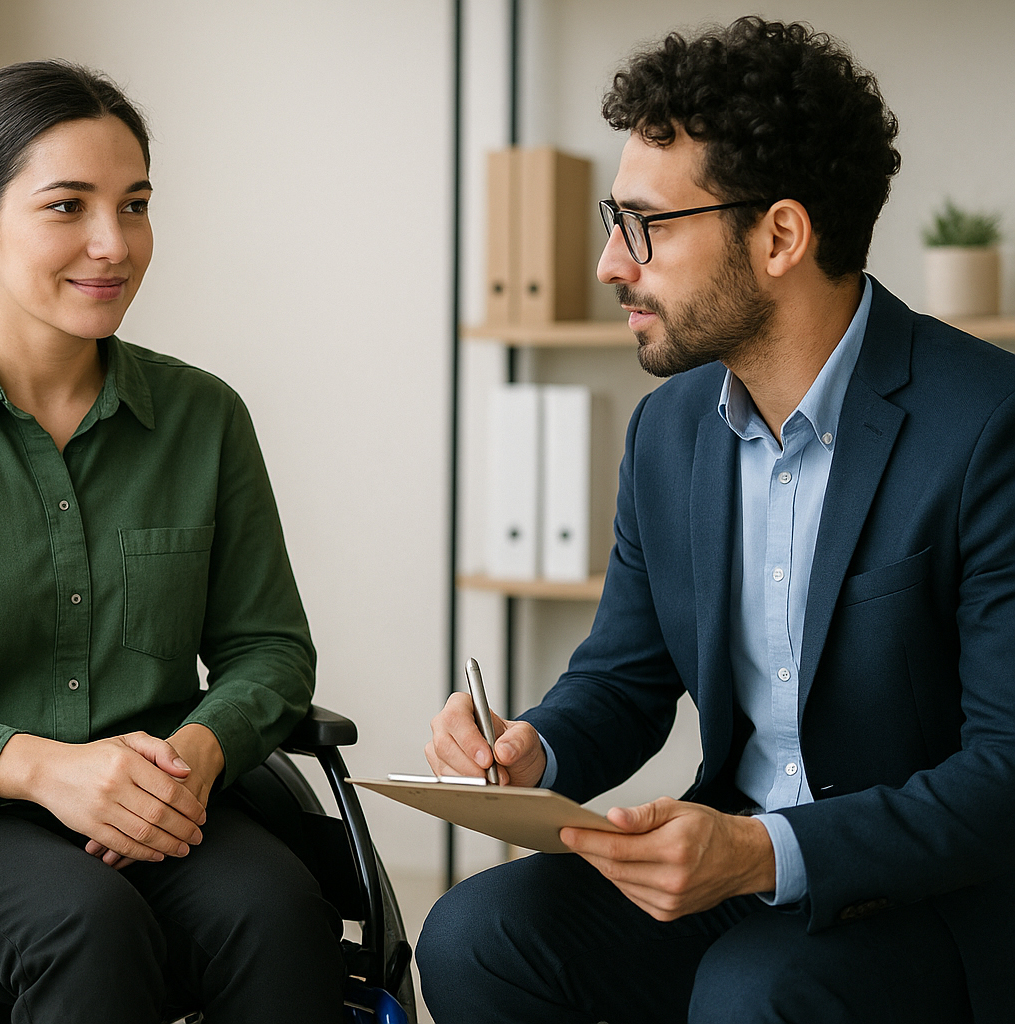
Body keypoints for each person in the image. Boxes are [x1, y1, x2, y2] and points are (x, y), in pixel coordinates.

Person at [417, 17, 1015, 1023]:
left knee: (753, 992)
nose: (611, 263)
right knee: (477, 933)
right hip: (734, 861)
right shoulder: (669, 430)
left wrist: (762, 850)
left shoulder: (988, 425)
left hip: (928, 895)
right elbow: (624, 678)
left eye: (645, 224)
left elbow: (1004, 772)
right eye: (615, 220)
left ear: (779, 236)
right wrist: (532, 749)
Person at [0, 60, 344, 1023]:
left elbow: (269, 649)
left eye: (135, 206)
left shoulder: (204, 418)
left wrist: (194, 759)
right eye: (67, 206)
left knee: (280, 911)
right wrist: (48, 770)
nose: (112, 244)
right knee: (87, 925)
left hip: (158, 790)